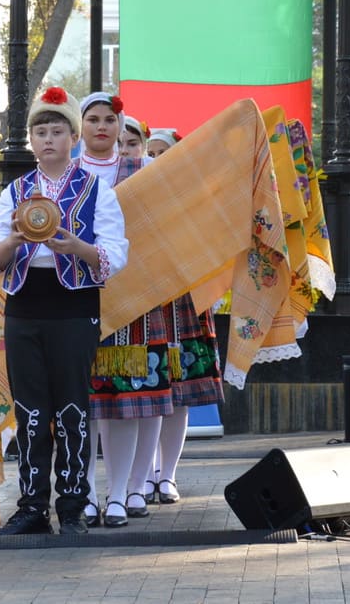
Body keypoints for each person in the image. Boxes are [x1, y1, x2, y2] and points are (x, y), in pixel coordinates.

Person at [0, 87, 128, 536]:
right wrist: (14, 240)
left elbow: (115, 254)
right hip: (25, 304)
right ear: (31, 140)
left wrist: (76, 247)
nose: (48, 139)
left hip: (75, 304)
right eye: (40, 131)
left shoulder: (95, 189)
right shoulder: (16, 192)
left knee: (71, 409)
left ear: (73, 137)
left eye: (57, 130)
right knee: (29, 410)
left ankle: (72, 506)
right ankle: (31, 507)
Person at [77, 92, 173, 529]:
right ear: (80, 125)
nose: (101, 126)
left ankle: (122, 492)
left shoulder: (146, 171)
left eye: (109, 119)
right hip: (75, 301)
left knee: (128, 401)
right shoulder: (66, 172)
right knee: (85, 403)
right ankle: (85, 493)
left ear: (120, 126)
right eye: (92, 119)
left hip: (134, 303)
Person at [138, 129, 224, 506]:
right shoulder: (134, 197)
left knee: (182, 394)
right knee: (147, 392)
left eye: (164, 153)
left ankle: (168, 475)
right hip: (146, 307)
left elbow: (212, 248)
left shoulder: (195, 199)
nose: (157, 159)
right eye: (151, 152)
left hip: (186, 306)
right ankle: (145, 474)